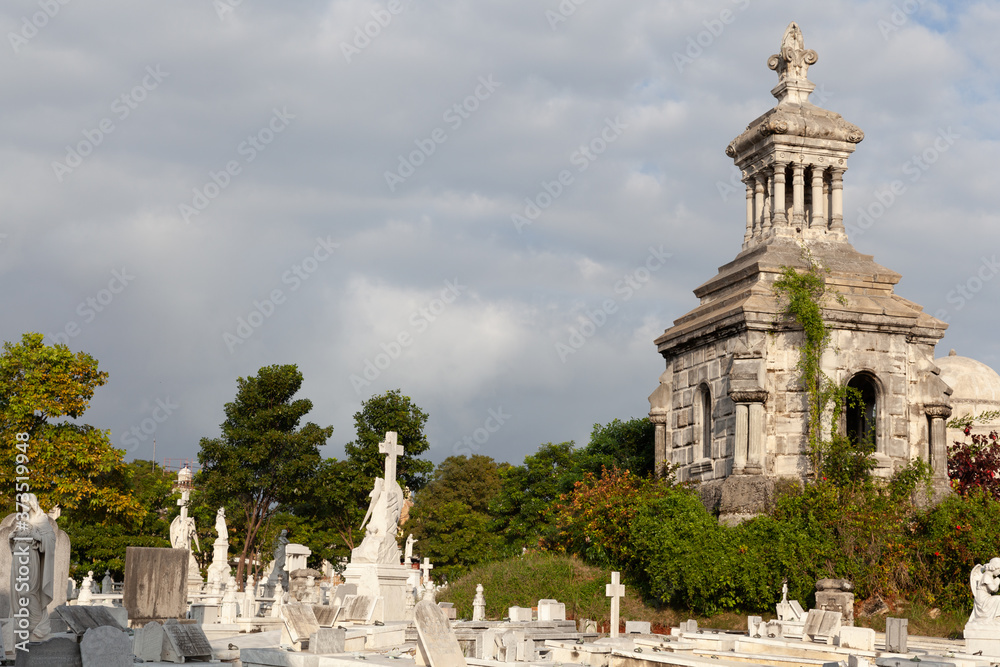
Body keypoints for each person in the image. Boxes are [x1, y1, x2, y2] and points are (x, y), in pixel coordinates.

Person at [9, 494, 56, 640]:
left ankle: (36, 624)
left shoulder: (41, 520)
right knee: (19, 591)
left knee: (29, 591)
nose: (24, 506)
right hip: (18, 557)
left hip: (30, 558)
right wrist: (12, 537)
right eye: (22, 504)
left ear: (32, 504)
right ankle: (22, 624)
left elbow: (50, 540)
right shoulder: (22, 520)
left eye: (26, 503)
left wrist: (38, 537)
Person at [970, 558, 1000, 624]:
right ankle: (994, 617)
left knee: (998, 598)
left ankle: (996, 617)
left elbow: (995, 589)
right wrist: (997, 581)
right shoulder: (986, 575)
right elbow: (993, 588)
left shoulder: (989, 576)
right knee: (998, 599)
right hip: (982, 600)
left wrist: (996, 581)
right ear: (994, 568)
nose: (999, 572)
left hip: (986, 597)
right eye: (999, 570)